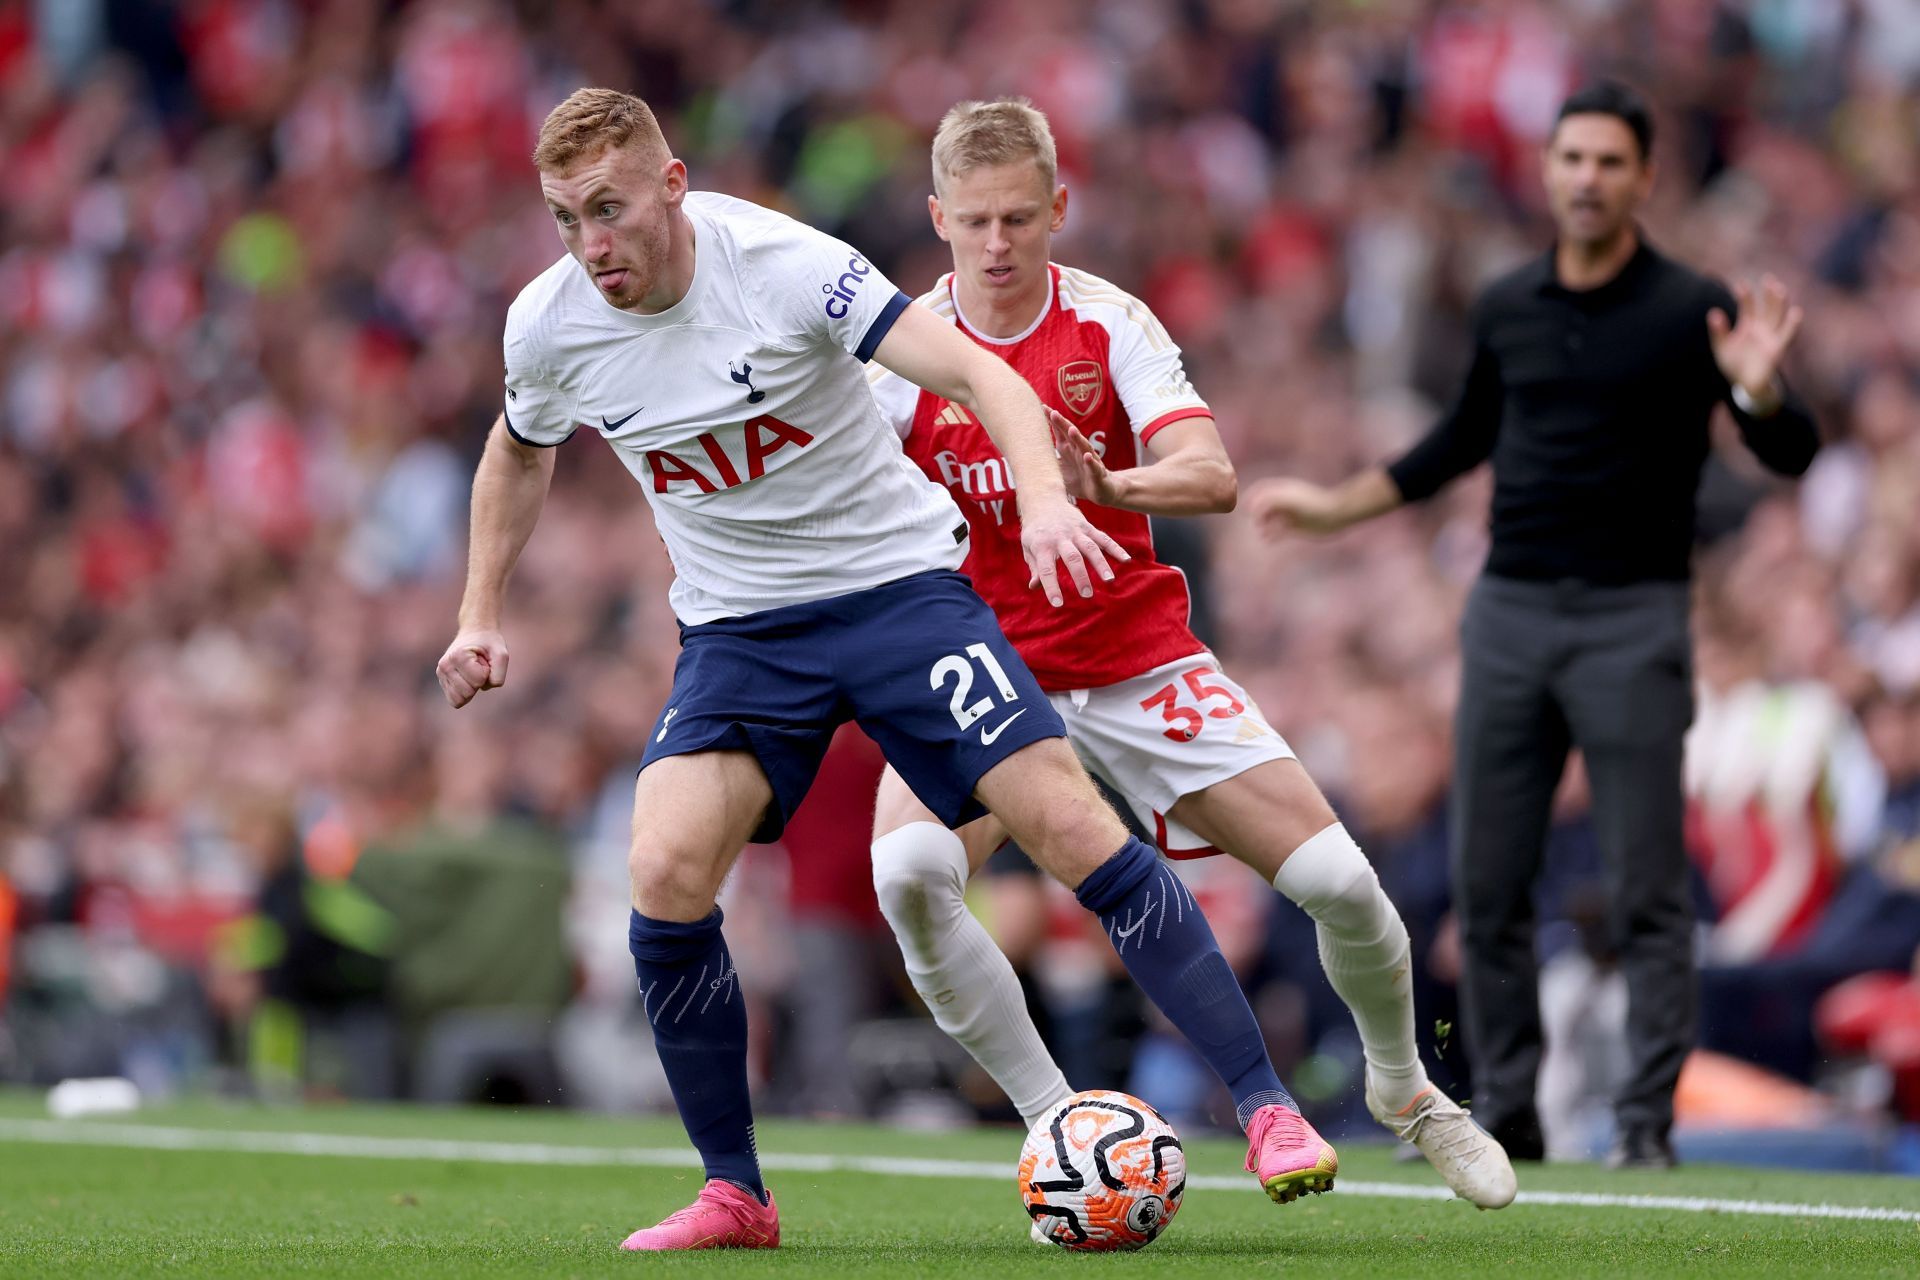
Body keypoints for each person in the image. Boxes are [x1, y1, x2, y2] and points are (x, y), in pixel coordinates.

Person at [435, 88, 1320, 1252]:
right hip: (741, 630)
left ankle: (1264, 1105)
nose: (590, 244)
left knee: (1066, 825)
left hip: (897, 589)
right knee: (661, 863)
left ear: (671, 184)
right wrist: (479, 609)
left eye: (608, 208)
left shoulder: (789, 265)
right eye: (564, 218)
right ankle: (735, 1193)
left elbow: (984, 378)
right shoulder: (549, 323)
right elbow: (517, 449)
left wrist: (1047, 502)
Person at [864, 98, 1514, 1210]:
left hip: (1133, 658)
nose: (999, 243)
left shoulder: (1109, 324)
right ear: (938, 218)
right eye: (974, 221)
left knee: (1344, 889)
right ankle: (1050, 1117)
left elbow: (1211, 473)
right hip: (989, 672)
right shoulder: (901, 357)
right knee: (911, 875)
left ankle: (1407, 1088)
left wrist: (1110, 484)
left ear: (1061, 206)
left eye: (1021, 216)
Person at [1251, 81, 1821, 1169]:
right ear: (1550, 170)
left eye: (1611, 161)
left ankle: (1648, 1123)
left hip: (1632, 614)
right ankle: (1508, 1105)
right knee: (1488, 879)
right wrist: (1333, 504)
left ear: (1645, 178)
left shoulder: (1690, 305)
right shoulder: (1510, 303)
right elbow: (1455, 442)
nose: (1589, 179)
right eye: (1573, 159)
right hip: (1510, 611)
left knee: (1648, 881)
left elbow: (1794, 452)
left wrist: (1754, 392)